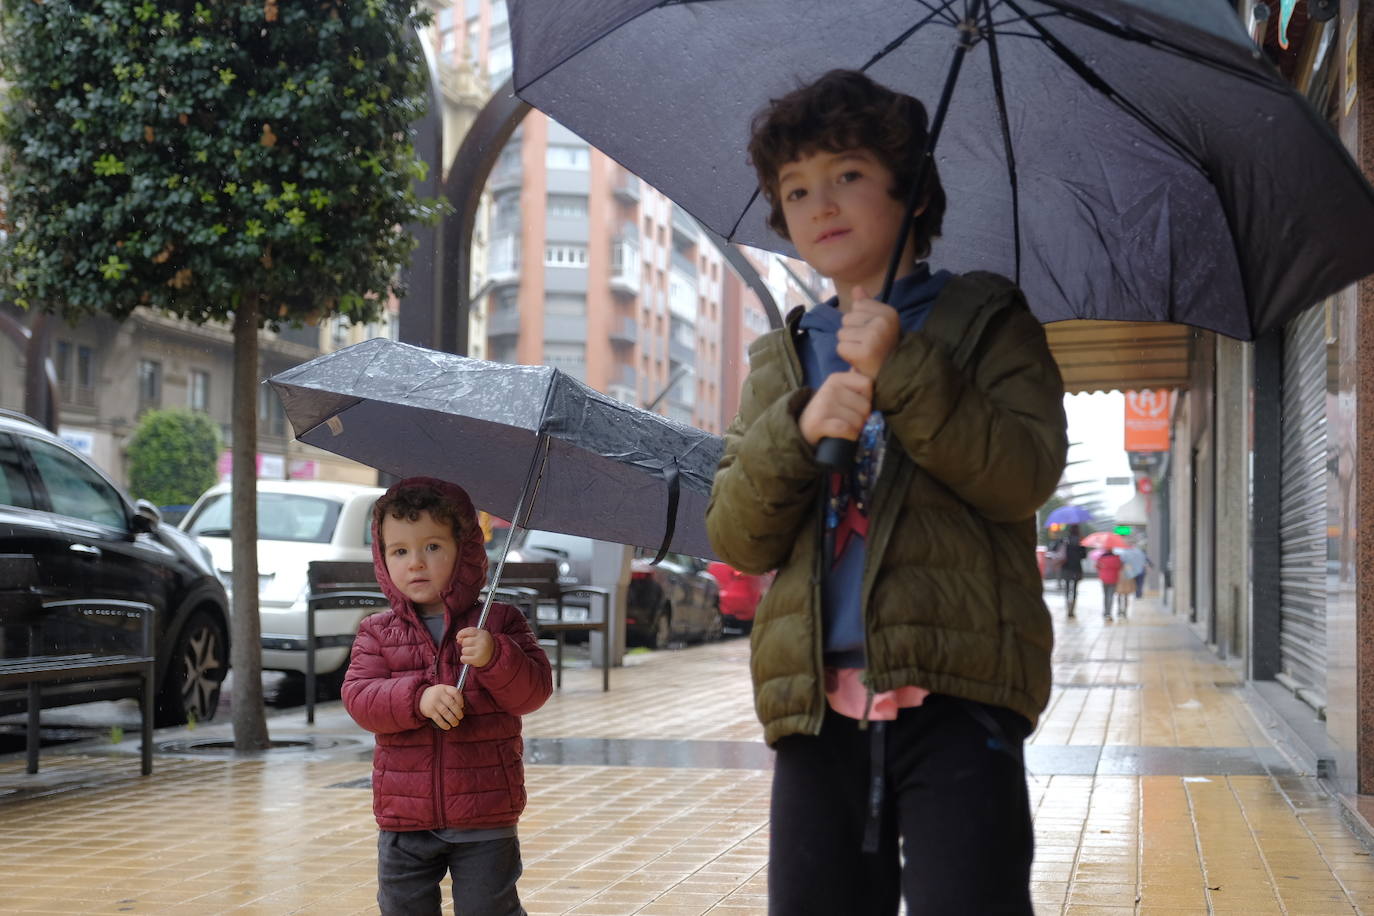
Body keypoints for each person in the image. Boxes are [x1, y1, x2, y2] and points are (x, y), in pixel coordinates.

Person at [706, 70, 1067, 915]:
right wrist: (796, 432)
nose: (819, 203)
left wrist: (904, 368)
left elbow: (1023, 475)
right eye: (795, 189)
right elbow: (738, 536)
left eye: (848, 175)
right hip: (815, 709)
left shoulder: (985, 321)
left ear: (910, 190)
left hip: (959, 695)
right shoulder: (783, 359)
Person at [342, 477, 552, 916]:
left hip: (484, 811)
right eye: (400, 551)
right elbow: (359, 696)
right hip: (405, 815)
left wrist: (497, 656)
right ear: (382, 559)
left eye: (433, 547)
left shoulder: (499, 621)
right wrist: (416, 699)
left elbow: (533, 692)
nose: (416, 563)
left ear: (465, 550)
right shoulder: (378, 632)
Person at [1056, 523, 1086, 618]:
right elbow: (1084, 556)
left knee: (1067, 589)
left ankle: (1067, 608)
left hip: (1066, 567)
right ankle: (1072, 609)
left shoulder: (1065, 540)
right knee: (1075, 590)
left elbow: (1056, 550)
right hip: (1076, 568)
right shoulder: (1081, 541)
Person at [1095, 547, 1124, 621]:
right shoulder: (1117, 558)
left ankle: (1106, 611)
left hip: (1104, 578)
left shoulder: (1101, 558)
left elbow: (1097, 567)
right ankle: (1109, 612)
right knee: (1110, 595)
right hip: (1113, 578)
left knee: (1105, 595)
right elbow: (1120, 567)